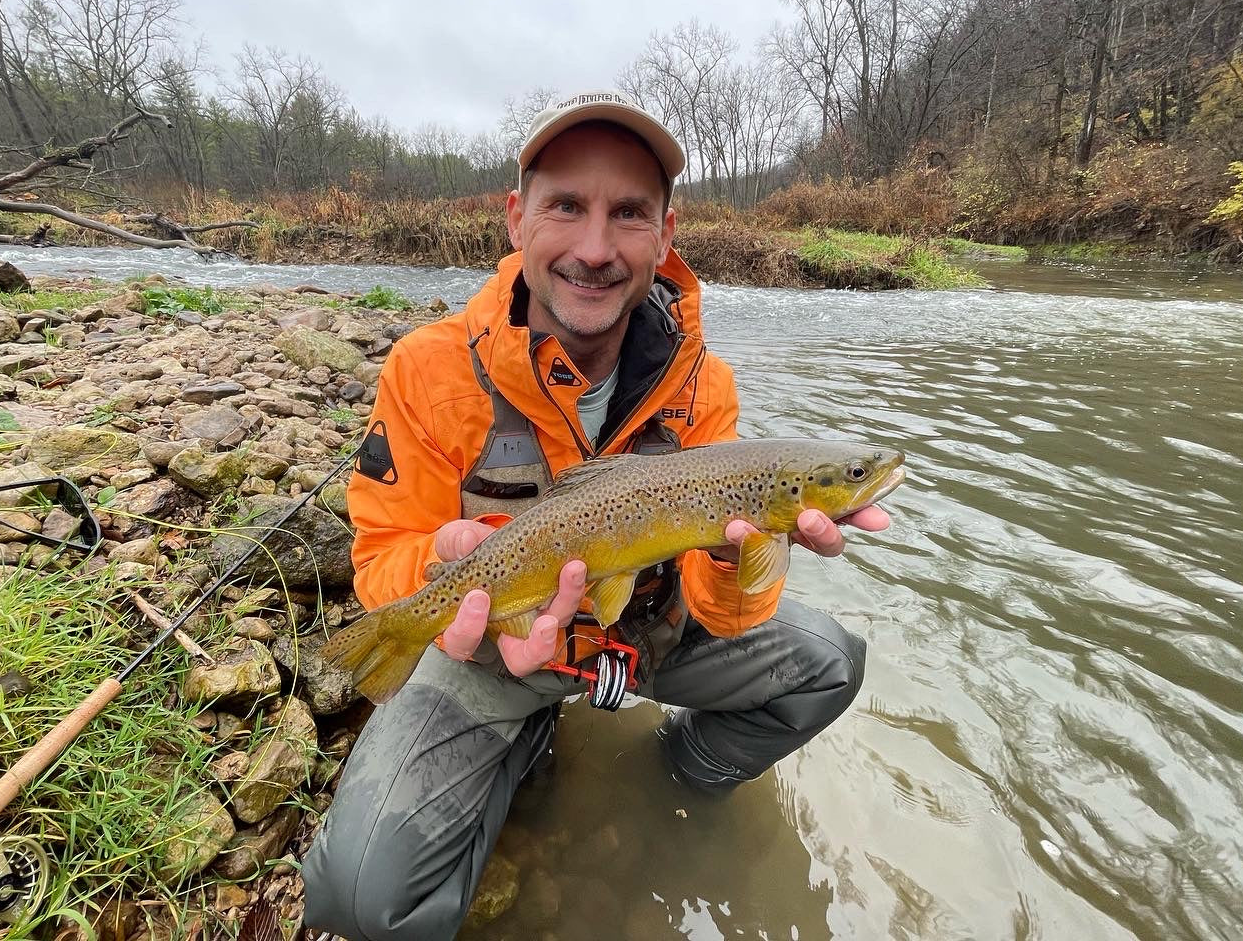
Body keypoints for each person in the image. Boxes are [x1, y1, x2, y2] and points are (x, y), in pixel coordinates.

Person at [301, 91, 888, 940]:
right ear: (516, 218)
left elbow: (725, 613)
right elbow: (382, 557)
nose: (595, 247)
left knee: (831, 663)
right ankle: (520, 745)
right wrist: (441, 569)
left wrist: (744, 558)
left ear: (666, 234)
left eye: (630, 213)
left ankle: (674, 774)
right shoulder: (428, 370)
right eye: (567, 206)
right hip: (493, 652)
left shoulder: (705, 388)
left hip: (642, 637)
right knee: (363, 898)